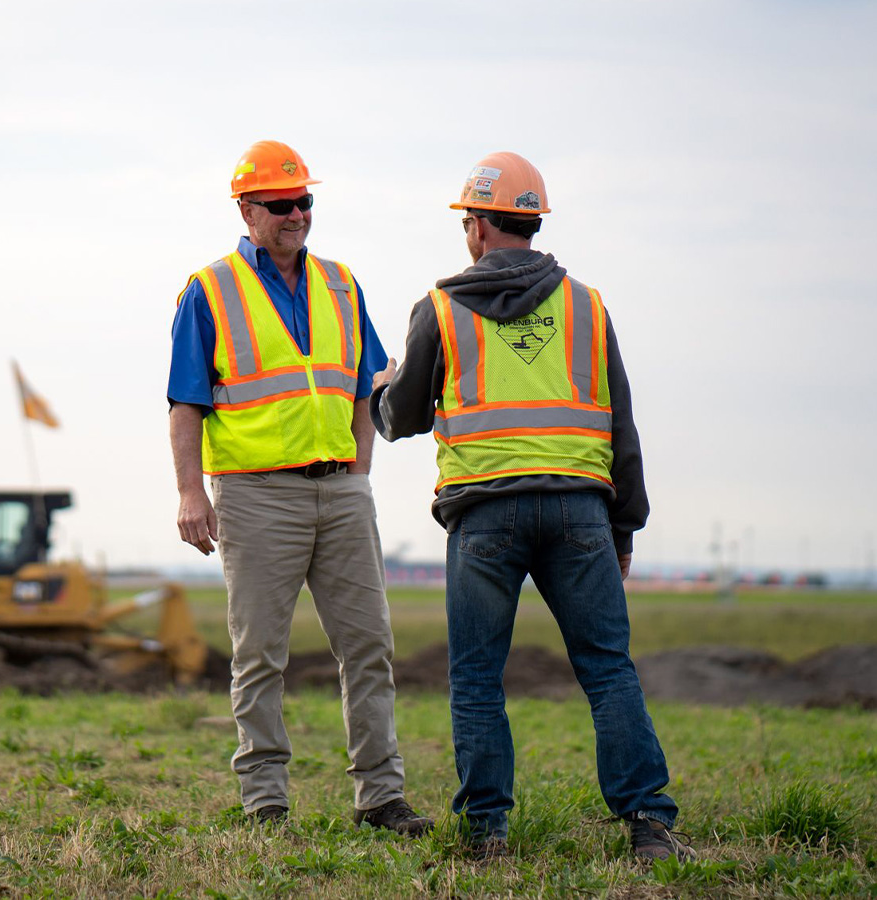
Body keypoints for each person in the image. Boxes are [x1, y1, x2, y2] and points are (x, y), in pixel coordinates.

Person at [370, 152, 690, 860]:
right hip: (580, 515)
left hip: (483, 519)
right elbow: (620, 423)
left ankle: (487, 838)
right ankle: (650, 828)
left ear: (482, 226)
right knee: (608, 669)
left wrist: (382, 390)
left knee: (477, 680)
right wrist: (624, 525)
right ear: (533, 223)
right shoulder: (586, 305)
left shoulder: (441, 307)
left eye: (468, 221)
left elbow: (404, 417)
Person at [167, 140, 432, 835]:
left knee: (369, 645)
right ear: (248, 209)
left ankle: (381, 797)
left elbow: (367, 384)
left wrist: (359, 466)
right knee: (259, 654)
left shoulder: (342, 284)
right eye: (282, 204)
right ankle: (266, 803)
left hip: (340, 493)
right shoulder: (210, 290)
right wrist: (191, 494)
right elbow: (185, 403)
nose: (297, 214)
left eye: (305, 201)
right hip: (256, 499)